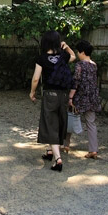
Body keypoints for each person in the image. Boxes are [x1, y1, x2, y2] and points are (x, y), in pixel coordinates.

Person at [30, 31, 76, 172]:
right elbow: (74, 56)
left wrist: (32, 92)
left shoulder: (42, 58)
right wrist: (66, 46)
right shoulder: (63, 56)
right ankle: (50, 151)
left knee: (50, 123)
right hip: (63, 95)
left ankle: (57, 159)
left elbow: (36, 78)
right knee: (58, 122)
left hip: (50, 95)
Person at [66, 39, 101, 159]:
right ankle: (93, 150)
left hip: (80, 97)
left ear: (82, 52)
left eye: (78, 52)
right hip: (92, 98)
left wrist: (70, 97)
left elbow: (76, 82)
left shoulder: (79, 66)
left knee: (70, 118)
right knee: (91, 123)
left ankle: (65, 144)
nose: (77, 54)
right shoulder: (94, 65)